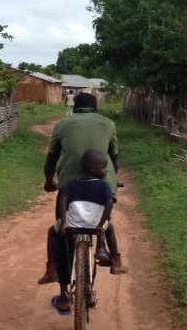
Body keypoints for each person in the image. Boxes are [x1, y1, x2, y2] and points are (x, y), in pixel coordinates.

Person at [38, 93, 127, 306]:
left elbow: (51, 158)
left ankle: (63, 295)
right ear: (95, 108)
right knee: (104, 222)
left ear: (74, 107)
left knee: (63, 236)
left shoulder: (63, 124)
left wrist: (49, 181)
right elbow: (114, 156)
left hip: (70, 187)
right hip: (103, 186)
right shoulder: (108, 124)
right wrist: (113, 178)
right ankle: (104, 249)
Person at [49, 149, 115, 312]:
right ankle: (113, 256)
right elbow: (108, 204)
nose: (106, 170)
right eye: (104, 167)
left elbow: (63, 199)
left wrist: (64, 222)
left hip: (72, 225)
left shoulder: (73, 184)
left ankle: (51, 266)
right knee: (110, 227)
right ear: (94, 170)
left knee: (52, 231)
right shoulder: (104, 186)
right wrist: (101, 225)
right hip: (95, 225)